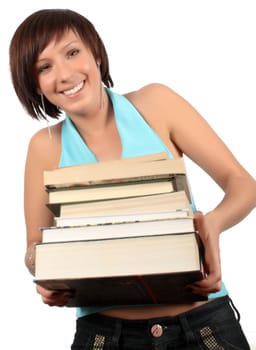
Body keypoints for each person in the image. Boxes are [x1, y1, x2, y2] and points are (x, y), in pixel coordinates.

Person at [9, 8, 256, 350]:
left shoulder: (157, 103)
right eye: (44, 67)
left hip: (202, 327)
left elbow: (242, 183)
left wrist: (211, 225)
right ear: (34, 83)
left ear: (95, 51)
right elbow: (34, 248)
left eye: (72, 52)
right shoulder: (44, 146)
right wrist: (44, 272)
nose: (64, 74)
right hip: (105, 336)